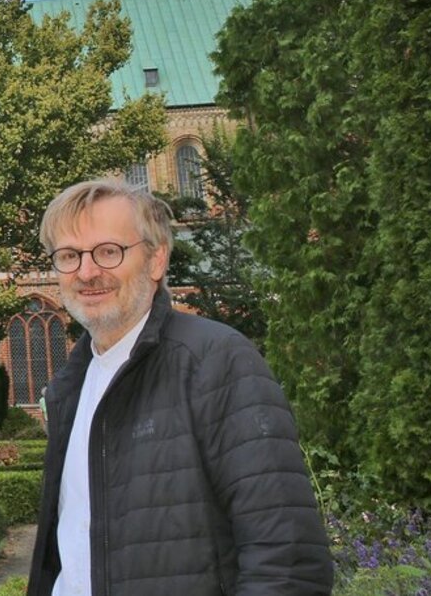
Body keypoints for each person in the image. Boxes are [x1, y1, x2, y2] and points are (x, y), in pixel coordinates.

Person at [27, 179, 333, 596]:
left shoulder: (215, 361)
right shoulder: (71, 386)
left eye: (108, 251)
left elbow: (286, 556)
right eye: (68, 256)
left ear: (156, 260)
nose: (87, 271)